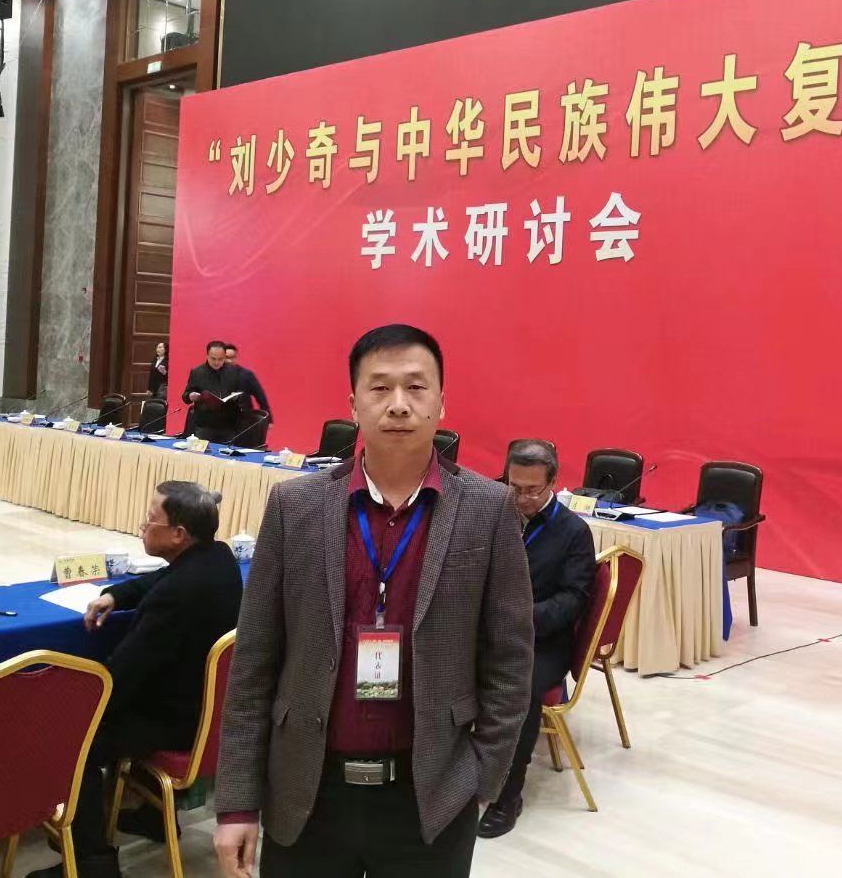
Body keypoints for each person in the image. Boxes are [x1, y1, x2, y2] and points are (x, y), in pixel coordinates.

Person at [213, 324, 533, 878]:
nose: (399, 404)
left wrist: (482, 778)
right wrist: (238, 803)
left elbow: (510, 659)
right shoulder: (295, 506)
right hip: (306, 794)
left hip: (431, 797)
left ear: (440, 401)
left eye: (416, 386)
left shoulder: (488, 509)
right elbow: (254, 664)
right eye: (380, 387)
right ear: (353, 403)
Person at [27, 481, 244, 878]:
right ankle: (153, 815)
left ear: (178, 534)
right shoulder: (218, 558)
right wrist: (117, 594)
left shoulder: (175, 596)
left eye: (150, 520)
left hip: (175, 721)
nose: (143, 527)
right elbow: (162, 579)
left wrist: (79, 709)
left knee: (73, 739)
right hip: (209, 714)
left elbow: (124, 675)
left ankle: (92, 862)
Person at [478, 440, 596, 838]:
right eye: (514, 487)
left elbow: (573, 600)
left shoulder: (573, 532)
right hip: (487, 631)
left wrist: (517, 620)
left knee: (518, 688)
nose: (522, 498)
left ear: (552, 483)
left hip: (541, 642)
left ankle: (507, 795)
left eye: (532, 490)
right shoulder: (494, 515)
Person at [180, 340, 250, 443]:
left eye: (220, 359)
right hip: (204, 425)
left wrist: (237, 396)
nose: (216, 362)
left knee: (227, 452)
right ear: (207, 356)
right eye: (213, 359)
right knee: (202, 452)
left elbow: (244, 395)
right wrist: (190, 396)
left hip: (229, 425)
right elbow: (185, 396)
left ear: (225, 356)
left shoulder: (234, 372)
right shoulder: (197, 372)